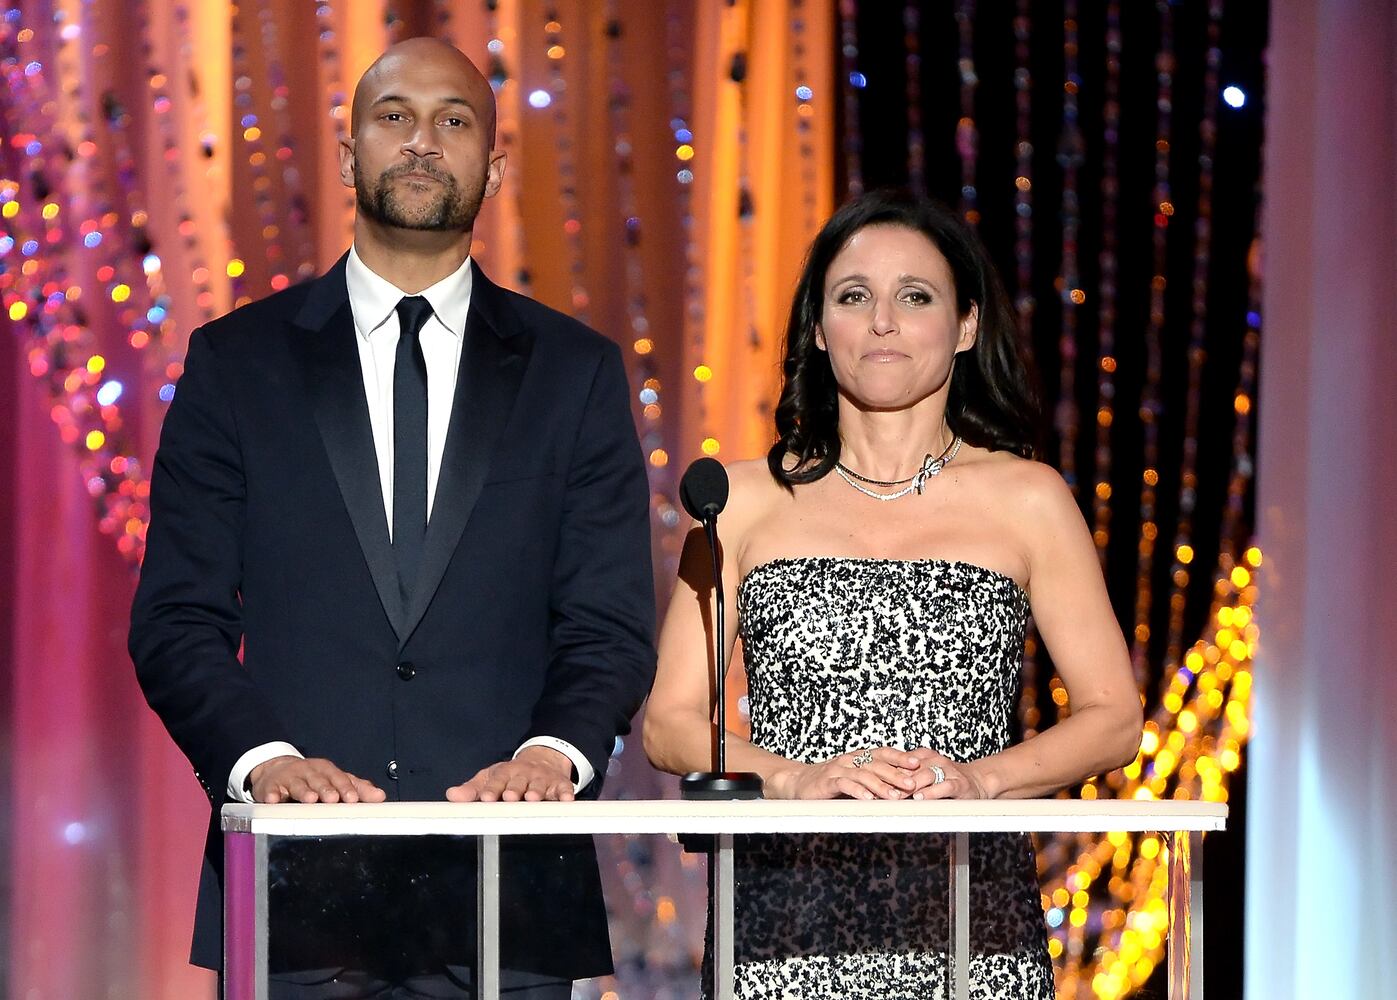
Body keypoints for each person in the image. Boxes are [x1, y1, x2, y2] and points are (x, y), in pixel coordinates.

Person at [129, 37, 655, 999]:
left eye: (453, 120)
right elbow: (176, 619)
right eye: (394, 116)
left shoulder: (572, 372)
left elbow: (608, 624)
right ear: (347, 157)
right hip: (298, 891)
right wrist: (264, 764)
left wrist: (552, 755)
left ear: (494, 168)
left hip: (509, 892)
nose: (422, 140)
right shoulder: (236, 363)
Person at [643, 190, 1143, 998]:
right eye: (853, 296)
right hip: (784, 933)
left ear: (966, 325)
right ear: (817, 327)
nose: (882, 322)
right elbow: (669, 725)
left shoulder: (1029, 499)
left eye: (914, 297)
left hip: (971, 929)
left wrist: (980, 780)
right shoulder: (737, 500)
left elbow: (1113, 717)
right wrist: (793, 778)